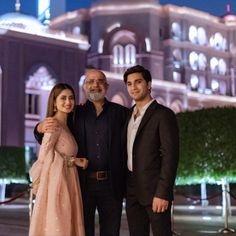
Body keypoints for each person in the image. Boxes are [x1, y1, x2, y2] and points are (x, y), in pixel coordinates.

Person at [34, 69, 129, 236]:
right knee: (82, 231)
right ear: (84, 86)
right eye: (90, 81)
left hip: (111, 184)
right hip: (82, 184)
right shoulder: (75, 113)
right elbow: (51, 136)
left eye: (100, 81)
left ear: (106, 86)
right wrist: (39, 127)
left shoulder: (120, 113)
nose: (95, 85)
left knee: (111, 232)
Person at [123, 65, 179, 236]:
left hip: (155, 191)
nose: (133, 87)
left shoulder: (163, 114)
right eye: (130, 83)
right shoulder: (127, 115)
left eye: (138, 82)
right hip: (132, 191)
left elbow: (170, 156)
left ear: (148, 84)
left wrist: (163, 192)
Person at [29, 83, 87, 236]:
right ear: (54, 102)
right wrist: (74, 161)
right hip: (57, 185)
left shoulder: (67, 125)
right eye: (63, 98)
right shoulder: (52, 124)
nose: (68, 102)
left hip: (69, 181)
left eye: (71, 98)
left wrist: (75, 160)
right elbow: (45, 157)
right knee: (59, 225)